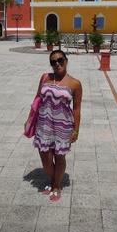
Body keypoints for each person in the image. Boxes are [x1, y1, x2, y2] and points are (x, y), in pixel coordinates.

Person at [32, 50, 82, 202]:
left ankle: (56, 185)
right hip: (44, 125)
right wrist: (30, 120)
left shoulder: (75, 83)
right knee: (45, 158)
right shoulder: (45, 77)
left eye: (60, 60)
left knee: (59, 158)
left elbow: (77, 109)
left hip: (63, 126)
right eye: (53, 62)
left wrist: (76, 130)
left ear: (66, 60)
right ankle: (54, 180)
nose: (57, 64)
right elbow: (37, 99)